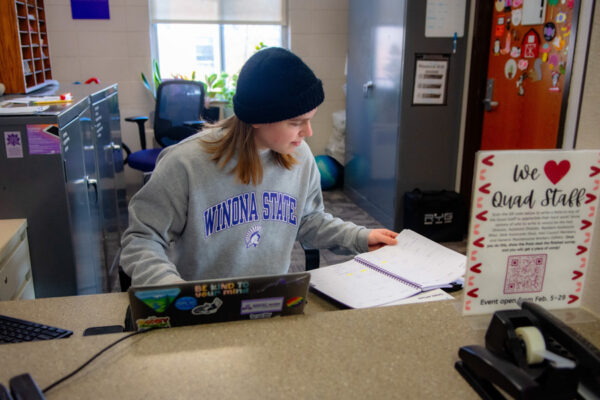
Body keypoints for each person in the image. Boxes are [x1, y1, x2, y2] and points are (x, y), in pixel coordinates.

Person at [120, 47, 398, 286]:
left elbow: (308, 220)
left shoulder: (300, 157)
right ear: (258, 118)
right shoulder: (185, 163)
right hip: (201, 311)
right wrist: (169, 288)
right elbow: (142, 238)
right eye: (296, 122)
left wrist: (361, 236)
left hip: (269, 302)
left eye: (310, 119)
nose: (308, 133)